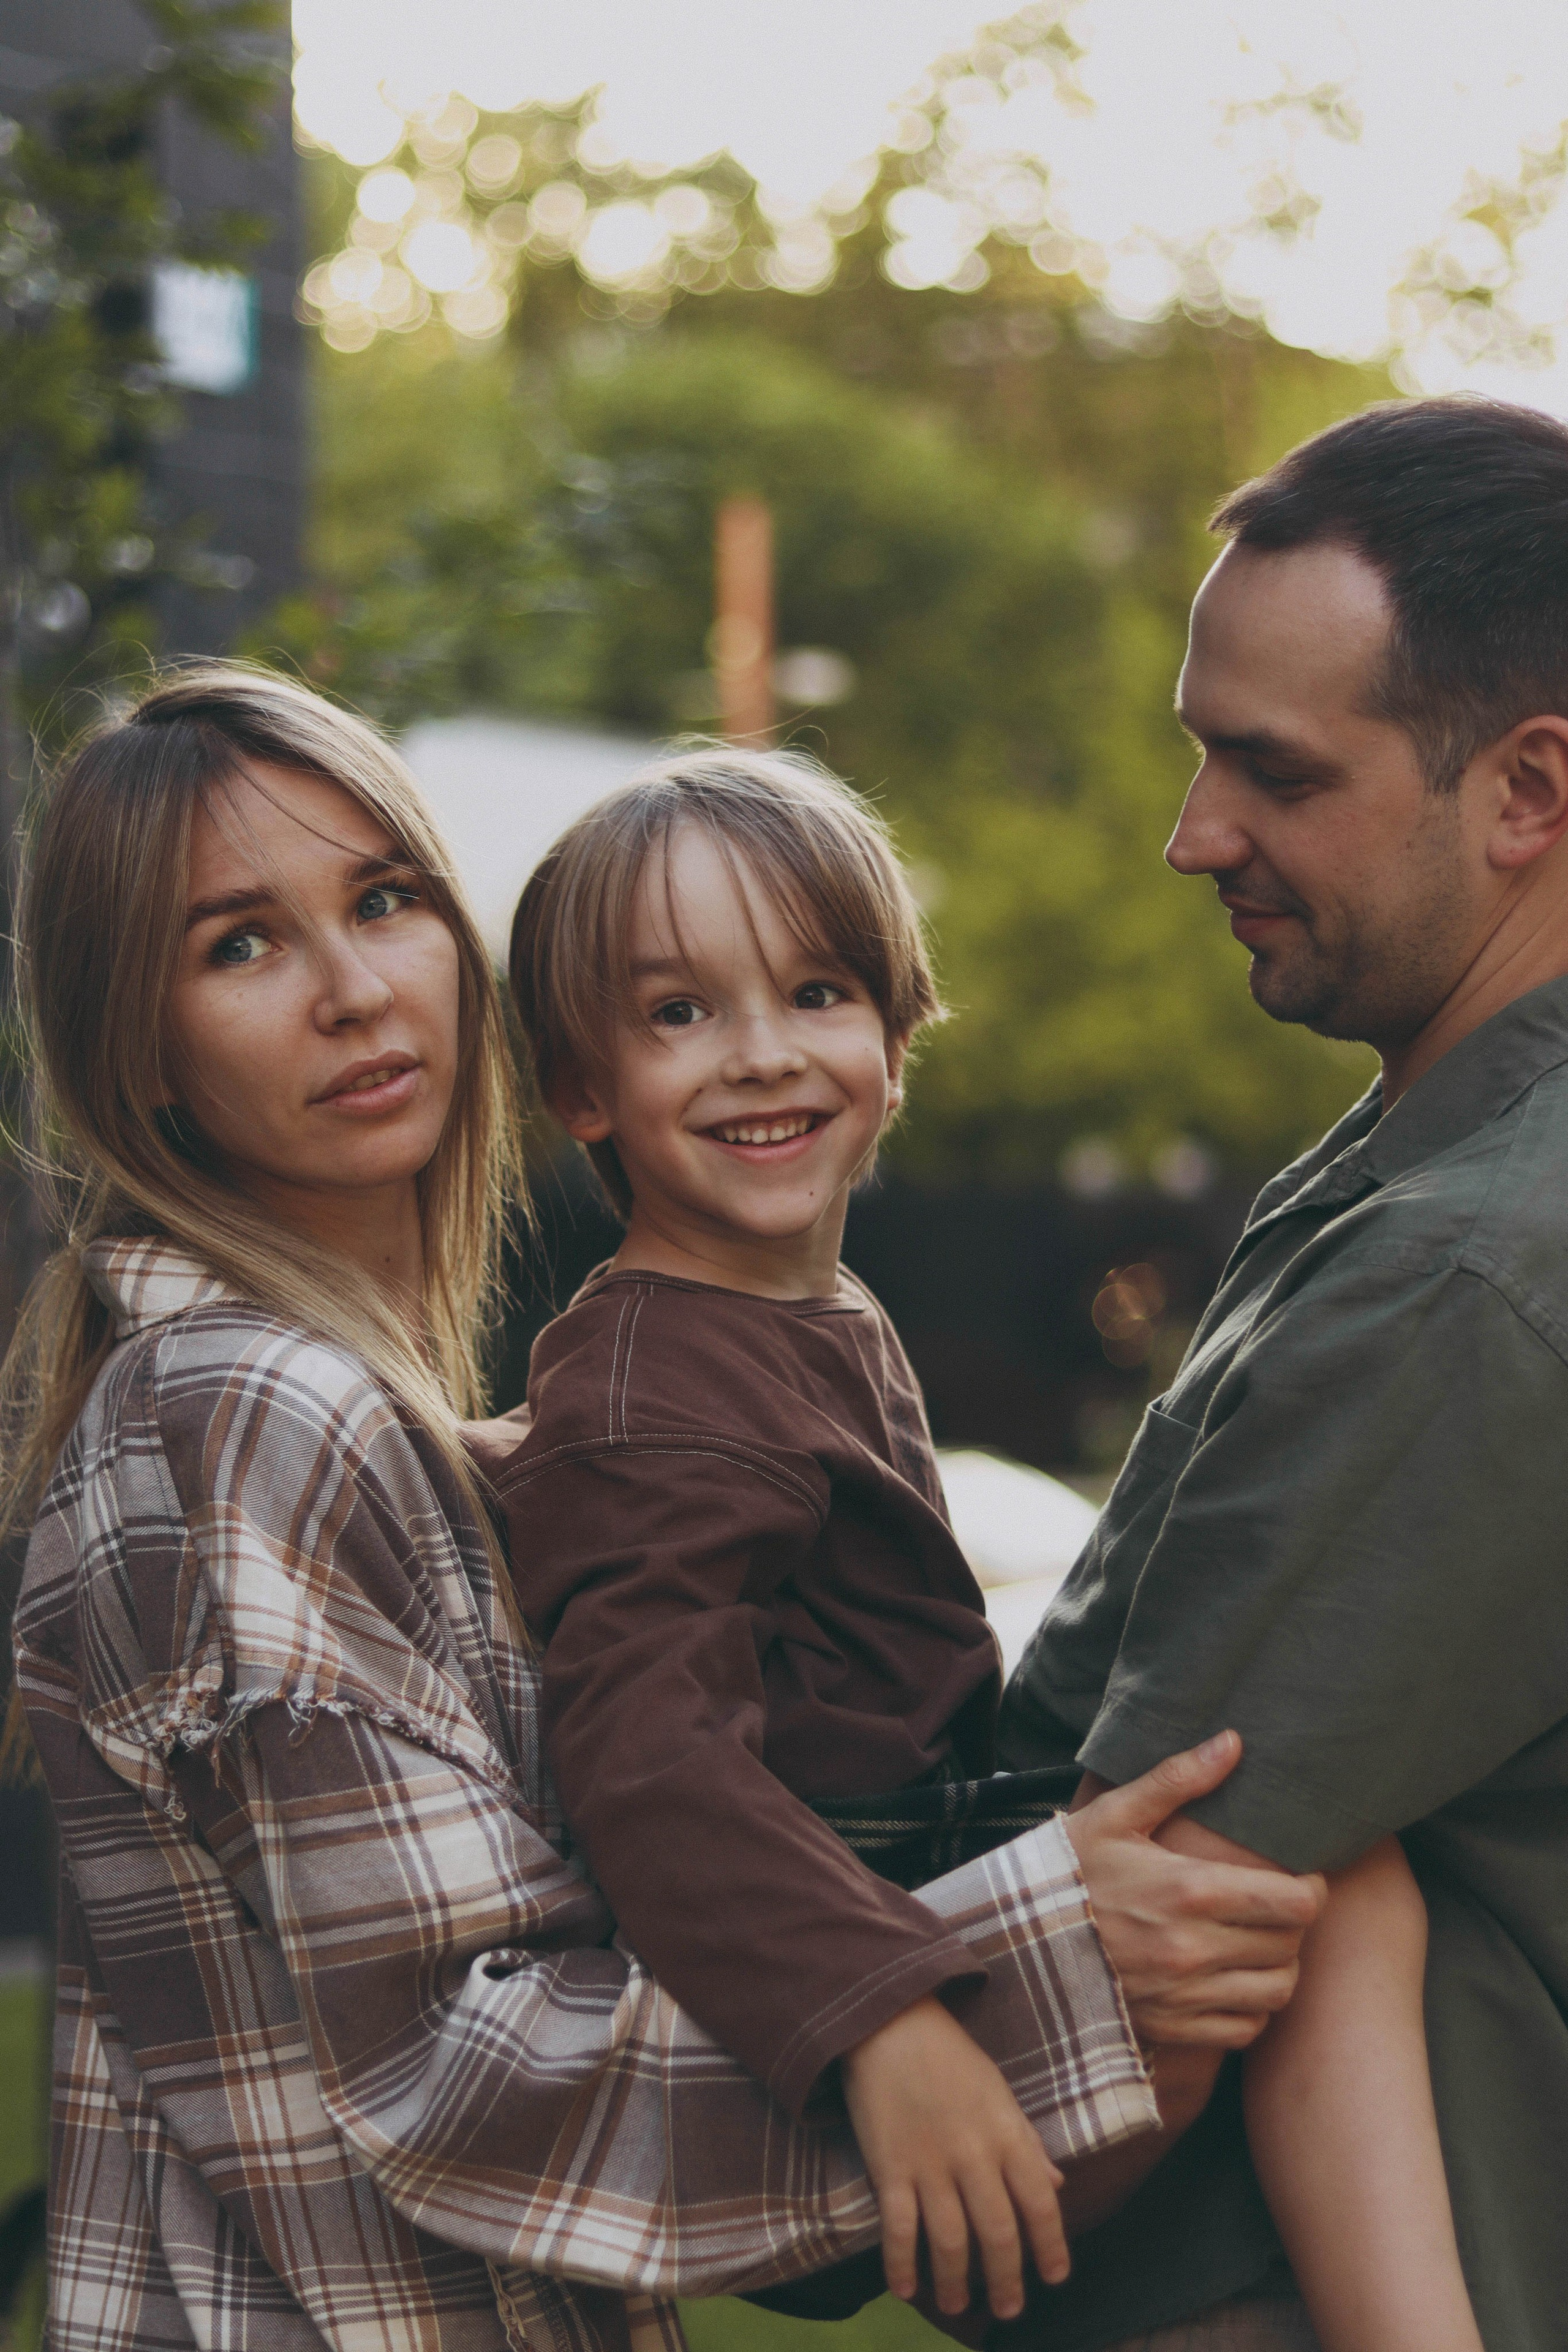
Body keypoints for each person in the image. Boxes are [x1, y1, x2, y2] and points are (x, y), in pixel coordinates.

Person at [5, 666, 1321, 2352]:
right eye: (238, 944)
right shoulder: (254, 1409)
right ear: (143, 1051)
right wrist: (1005, 1973)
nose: (352, 988)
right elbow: (461, 2068)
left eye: (386, 899)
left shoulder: (360, 1415)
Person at [488, 748, 1328, 2330]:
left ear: (896, 1031)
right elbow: (650, 1762)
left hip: (922, 1879)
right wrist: (887, 2024)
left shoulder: (784, 1315)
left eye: (815, 993)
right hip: (837, 2017)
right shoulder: (651, 1383)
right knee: (1272, 1893)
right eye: (679, 1013)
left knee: (1332, 1868)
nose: (758, 1056)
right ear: (578, 1088)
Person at [1000, 394, 1568, 2352]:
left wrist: (902, 2211)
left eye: (1274, 771)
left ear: (1528, 790)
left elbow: (1125, 2026)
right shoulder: (1435, 1170)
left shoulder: (1473, 1276)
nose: (1194, 837)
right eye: (1197, 752)